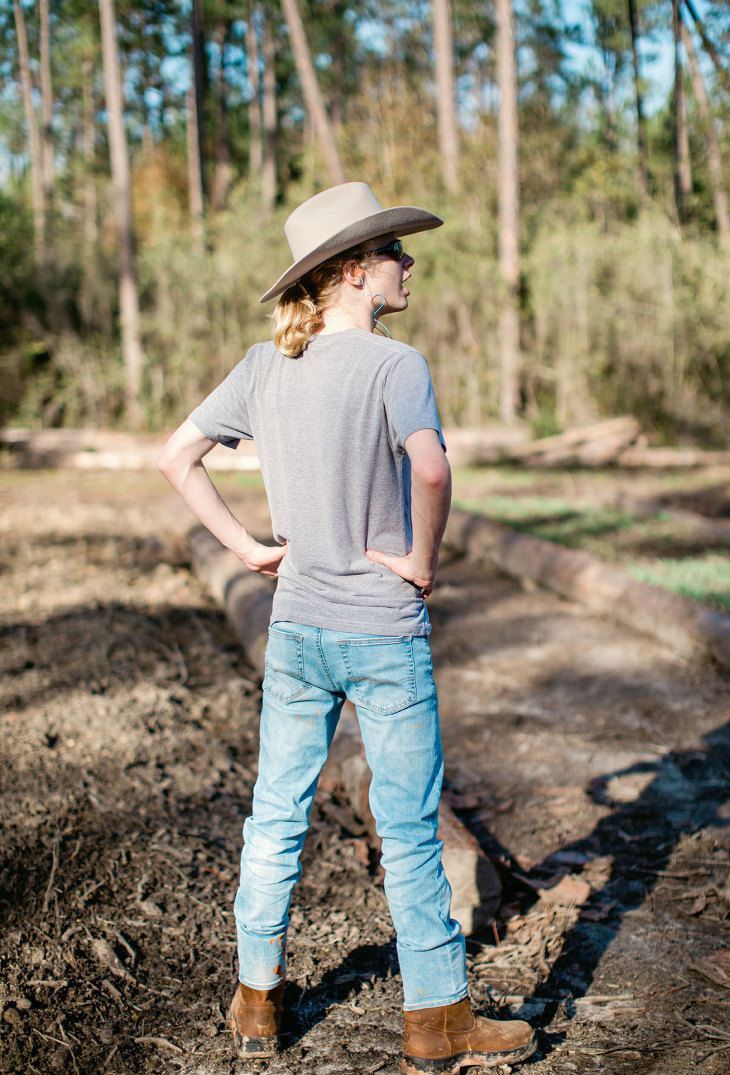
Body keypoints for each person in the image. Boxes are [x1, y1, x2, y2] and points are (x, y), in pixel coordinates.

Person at [158, 182, 536, 1074]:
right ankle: (435, 1019)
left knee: (275, 814)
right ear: (355, 272)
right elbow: (432, 471)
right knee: (407, 827)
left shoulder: (263, 366)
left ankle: (257, 999)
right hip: (383, 632)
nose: (409, 262)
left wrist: (247, 548)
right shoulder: (395, 367)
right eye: (394, 250)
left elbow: (175, 457)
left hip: (296, 630)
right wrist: (422, 561)